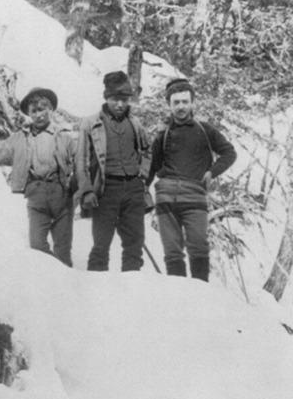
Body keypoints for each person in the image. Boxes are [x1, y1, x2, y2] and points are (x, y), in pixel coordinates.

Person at [0, 87, 77, 266]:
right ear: (28, 114)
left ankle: (64, 286)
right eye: (34, 111)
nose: (39, 114)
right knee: (37, 247)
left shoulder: (64, 137)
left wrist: (79, 191)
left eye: (43, 109)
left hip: (62, 197)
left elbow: (82, 164)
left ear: (51, 109)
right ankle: (51, 279)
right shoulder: (19, 140)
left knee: (63, 249)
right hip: (36, 197)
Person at [148, 78, 237, 280]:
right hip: (166, 197)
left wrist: (211, 172)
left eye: (185, 101)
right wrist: (140, 190)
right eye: (176, 102)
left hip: (195, 196)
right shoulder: (163, 134)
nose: (181, 107)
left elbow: (229, 153)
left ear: (192, 103)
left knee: (198, 247)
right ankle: (179, 299)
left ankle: (201, 296)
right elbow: (152, 165)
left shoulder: (205, 130)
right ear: (169, 105)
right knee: (172, 252)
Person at [75, 71, 152, 272]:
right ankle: (97, 295)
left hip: (133, 189)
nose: (120, 104)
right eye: (115, 99)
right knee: (101, 245)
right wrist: (87, 191)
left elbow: (147, 150)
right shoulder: (90, 124)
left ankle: (131, 290)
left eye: (124, 100)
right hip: (106, 190)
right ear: (106, 97)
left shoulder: (135, 123)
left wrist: (142, 176)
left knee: (134, 245)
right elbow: (81, 160)